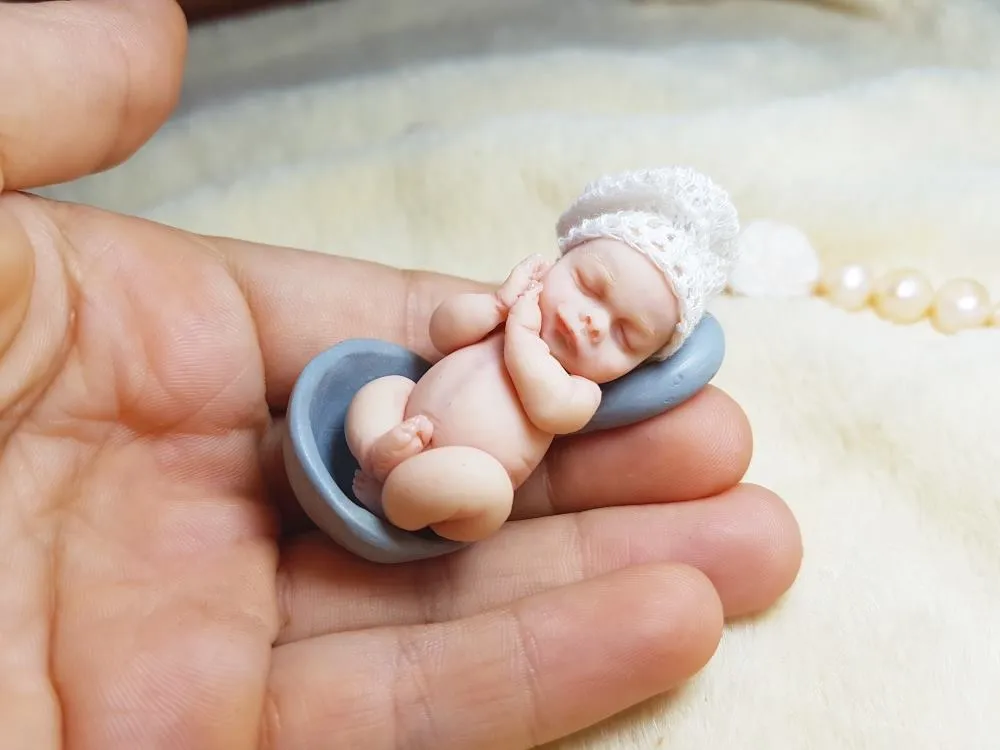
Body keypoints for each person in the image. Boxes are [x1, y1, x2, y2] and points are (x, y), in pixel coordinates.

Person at [0, 2, 803, 748]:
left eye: (623, 335)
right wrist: (493, 305)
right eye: (591, 286)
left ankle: (398, 487)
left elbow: (550, 406)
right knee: (381, 390)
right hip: (406, 411)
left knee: (483, 495)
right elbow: (443, 330)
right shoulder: (504, 314)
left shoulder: (572, 385)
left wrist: (525, 332)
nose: (592, 322)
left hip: (460, 478)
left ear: (635, 365)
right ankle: (378, 455)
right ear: (560, 259)